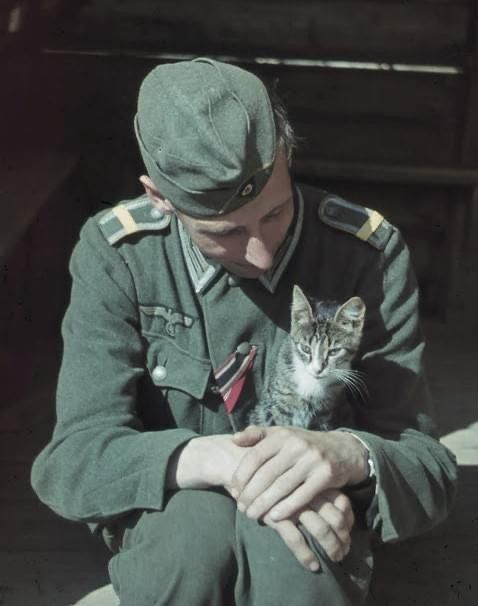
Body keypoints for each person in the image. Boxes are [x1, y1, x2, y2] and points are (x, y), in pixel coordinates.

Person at [31, 58, 458, 605]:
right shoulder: (121, 256)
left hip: (312, 513)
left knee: (299, 556)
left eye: (275, 213)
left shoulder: (364, 255)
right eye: (225, 232)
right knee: (192, 541)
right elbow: (73, 462)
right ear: (159, 197)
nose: (261, 254)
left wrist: (348, 455)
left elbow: (427, 468)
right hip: (178, 518)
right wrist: (218, 460)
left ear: (287, 158)